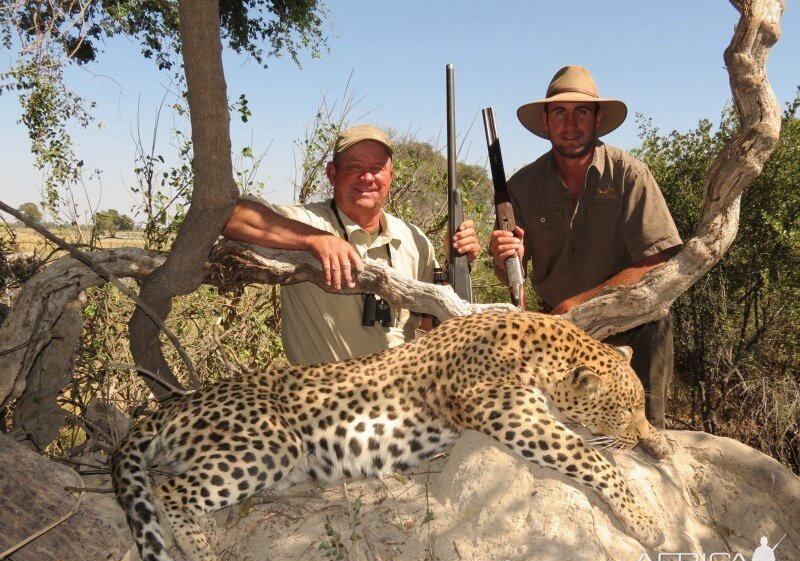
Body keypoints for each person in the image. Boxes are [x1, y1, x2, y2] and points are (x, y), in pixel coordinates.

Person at [489, 66, 682, 428]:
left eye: (581, 111)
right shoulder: (522, 185)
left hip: (633, 325)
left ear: (597, 119)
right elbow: (511, 275)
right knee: (562, 432)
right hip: (558, 331)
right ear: (546, 122)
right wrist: (503, 257)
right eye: (560, 112)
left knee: (641, 431)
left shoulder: (630, 175)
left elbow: (655, 263)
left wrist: (580, 304)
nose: (570, 122)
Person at [223, 124, 481, 365]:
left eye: (377, 168)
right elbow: (233, 217)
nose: (367, 177)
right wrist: (316, 240)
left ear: (390, 176)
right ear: (332, 173)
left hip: (400, 398)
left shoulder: (415, 239)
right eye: (354, 167)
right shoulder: (308, 221)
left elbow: (429, 324)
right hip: (324, 399)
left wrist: (457, 265)